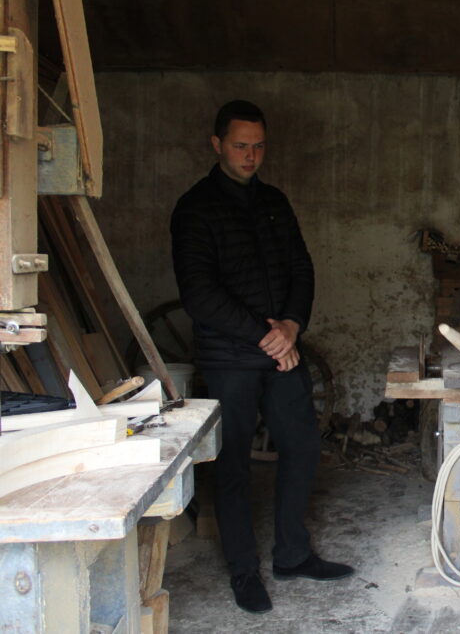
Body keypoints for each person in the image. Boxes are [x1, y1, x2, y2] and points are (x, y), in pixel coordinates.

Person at [171, 100, 353, 614]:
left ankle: (292, 554)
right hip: (230, 357)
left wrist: (292, 325)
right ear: (217, 145)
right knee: (232, 464)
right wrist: (266, 336)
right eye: (240, 146)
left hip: (281, 352)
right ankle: (243, 571)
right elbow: (199, 294)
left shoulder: (274, 201)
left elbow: (302, 269)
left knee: (303, 445)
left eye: (258, 146)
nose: (250, 156)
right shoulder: (195, 208)